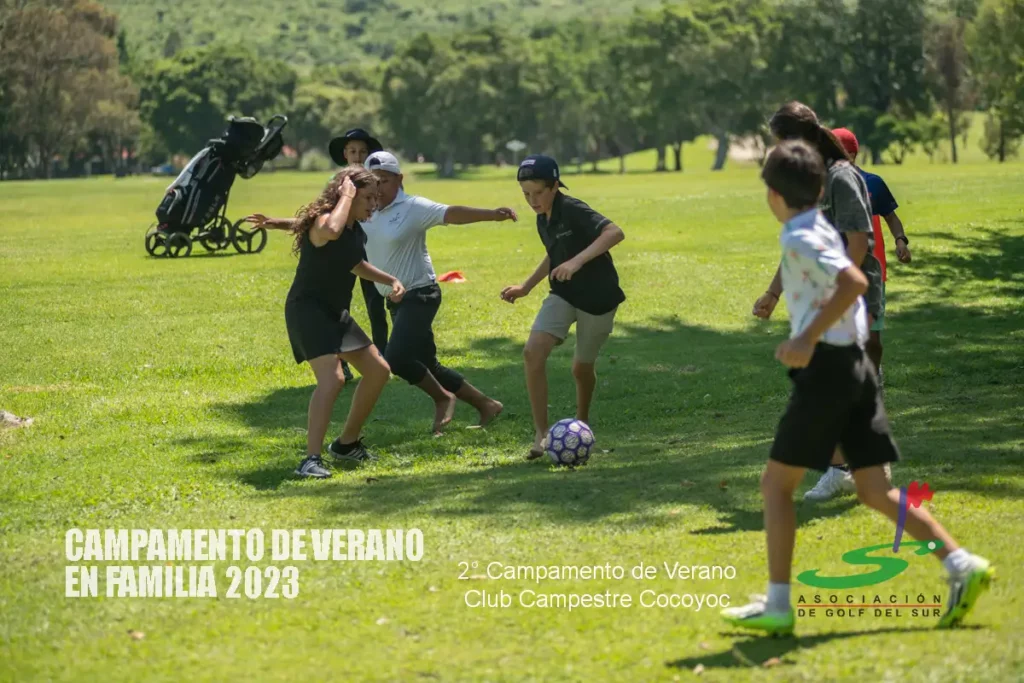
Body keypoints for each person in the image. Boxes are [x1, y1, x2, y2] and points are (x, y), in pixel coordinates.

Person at [721, 140, 993, 636]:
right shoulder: (818, 227)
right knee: (874, 490)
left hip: (828, 371)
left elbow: (853, 281)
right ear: (818, 190)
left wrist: (806, 336)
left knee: (775, 487)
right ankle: (961, 564)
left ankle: (778, 604)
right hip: (854, 367)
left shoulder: (801, 235)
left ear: (774, 195)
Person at [751, 101, 884, 503]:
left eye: (779, 142)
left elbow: (858, 243)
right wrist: (773, 292)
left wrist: (836, 296)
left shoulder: (840, 178)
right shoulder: (814, 181)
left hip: (852, 298)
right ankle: (862, 468)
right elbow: (805, 243)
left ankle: (847, 470)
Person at [248, 168, 406, 478]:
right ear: (347, 194)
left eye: (376, 197)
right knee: (333, 380)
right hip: (308, 310)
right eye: (367, 197)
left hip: (336, 312)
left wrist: (391, 280)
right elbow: (329, 230)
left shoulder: (354, 230)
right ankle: (310, 460)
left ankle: (346, 444)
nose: (373, 204)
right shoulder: (326, 223)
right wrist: (346, 195)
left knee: (378, 371)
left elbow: (355, 265)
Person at [361, 151, 515, 433]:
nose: (378, 188)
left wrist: (492, 215)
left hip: (420, 295)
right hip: (395, 300)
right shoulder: (365, 212)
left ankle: (443, 399)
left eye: (384, 180)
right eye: (372, 181)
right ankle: (487, 405)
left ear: (399, 179)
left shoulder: (412, 207)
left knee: (396, 358)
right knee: (428, 364)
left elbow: (451, 213)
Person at [500, 155, 625, 460]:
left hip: (598, 298)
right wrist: (526, 287)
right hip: (564, 293)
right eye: (526, 194)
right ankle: (541, 433)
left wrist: (577, 261)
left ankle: (582, 425)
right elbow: (553, 254)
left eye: (538, 193)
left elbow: (614, 232)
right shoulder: (543, 218)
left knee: (581, 368)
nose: (532, 201)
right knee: (532, 352)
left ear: (555, 186)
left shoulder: (573, 209)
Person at [831, 127, 913, 377]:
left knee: (872, 337)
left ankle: (873, 378)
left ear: (853, 155)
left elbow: (891, 218)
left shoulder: (872, 184)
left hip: (872, 271)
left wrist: (900, 241)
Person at [329, 128, 392, 374]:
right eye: (353, 151)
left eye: (363, 151)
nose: (357, 156)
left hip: (369, 250)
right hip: (342, 251)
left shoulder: (374, 182)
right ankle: (340, 362)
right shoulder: (336, 182)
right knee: (339, 307)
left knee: (376, 305)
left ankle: (383, 356)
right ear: (345, 154)